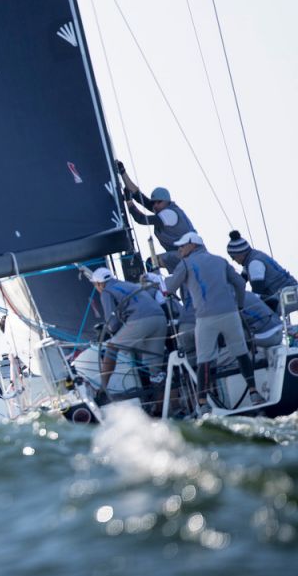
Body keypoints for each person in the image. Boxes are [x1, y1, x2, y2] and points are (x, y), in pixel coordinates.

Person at [164, 232, 263, 408]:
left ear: (193, 245)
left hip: (205, 318)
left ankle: (202, 403)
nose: (179, 250)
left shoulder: (185, 264)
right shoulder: (220, 260)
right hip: (230, 314)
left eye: (182, 246)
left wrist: (162, 283)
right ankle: (254, 392)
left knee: (204, 360)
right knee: (241, 353)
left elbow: (169, 289)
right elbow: (240, 284)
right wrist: (238, 306)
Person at [91, 266, 166, 396]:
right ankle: (162, 408)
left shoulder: (106, 292)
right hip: (160, 318)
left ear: (99, 284)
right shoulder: (129, 285)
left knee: (111, 347)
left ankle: (102, 390)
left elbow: (112, 324)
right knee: (155, 372)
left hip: (141, 321)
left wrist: (111, 332)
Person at [118, 164, 196, 272]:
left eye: (158, 202)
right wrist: (123, 172)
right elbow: (138, 195)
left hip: (189, 254)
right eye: (153, 203)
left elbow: (141, 219)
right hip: (184, 254)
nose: (155, 205)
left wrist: (129, 202)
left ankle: (155, 288)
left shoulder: (169, 214)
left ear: (167, 201)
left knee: (152, 263)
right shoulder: (162, 209)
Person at [226, 230, 296, 311]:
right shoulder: (253, 257)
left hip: (286, 297)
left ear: (240, 254)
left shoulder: (254, 264)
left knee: (253, 306)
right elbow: (241, 281)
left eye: (233, 257)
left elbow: (258, 291)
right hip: (291, 290)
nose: (233, 260)